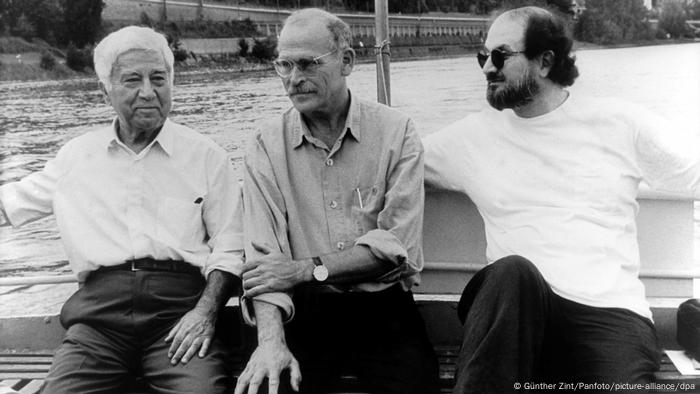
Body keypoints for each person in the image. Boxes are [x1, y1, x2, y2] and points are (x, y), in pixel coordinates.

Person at [422, 6, 700, 394]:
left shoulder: (619, 123)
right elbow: (390, 161)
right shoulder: (471, 137)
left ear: (545, 61)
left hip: (611, 316)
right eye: (483, 57)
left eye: (501, 55)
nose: (487, 68)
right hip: (519, 317)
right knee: (511, 271)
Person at [0, 26, 244, 393]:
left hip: (177, 317)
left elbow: (231, 245)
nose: (148, 91)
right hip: (97, 323)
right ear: (105, 92)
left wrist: (205, 313)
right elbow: (9, 204)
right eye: (132, 79)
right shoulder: (76, 157)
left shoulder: (207, 157)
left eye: (158, 78)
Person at [234, 8, 439, 394]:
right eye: (285, 65)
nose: (295, 79)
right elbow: (264, 261)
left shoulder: (397, 133)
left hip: (382, 308)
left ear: (347, 61)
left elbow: (397, 249)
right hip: (299, 312)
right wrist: (270, 342)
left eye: (309, 64)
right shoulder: (265, 144)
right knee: (268, 385)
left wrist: (303, 270)